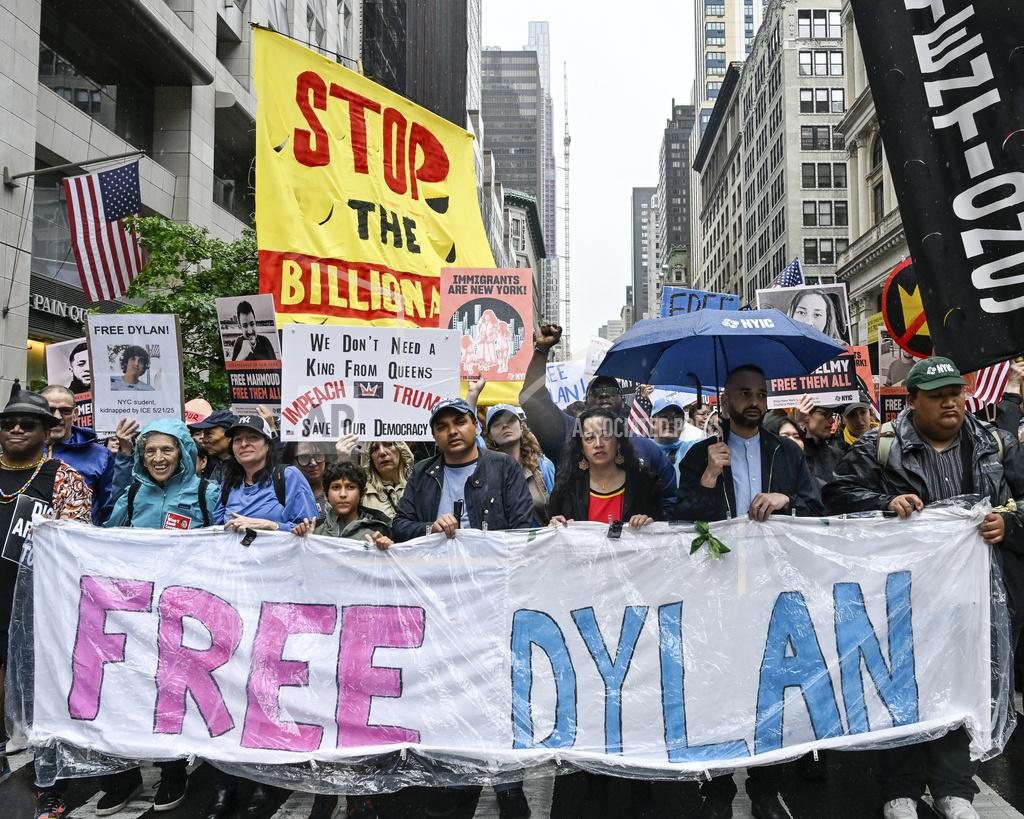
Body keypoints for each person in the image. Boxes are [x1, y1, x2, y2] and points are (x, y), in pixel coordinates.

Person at [823, 357, 1024, 819]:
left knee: (963, 685)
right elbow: (836, 495)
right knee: (903, 686)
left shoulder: (995, 443)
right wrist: (883, 503)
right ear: (911, 402)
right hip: (903, 597)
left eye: (955, 392)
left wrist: (1010, 523)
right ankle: (902, 787)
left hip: (978, 593)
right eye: (936, 396)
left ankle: (954, 787)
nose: (950, 402)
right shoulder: (879, 446)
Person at [674, 365, 823, 819]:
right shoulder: (700, 455)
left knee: (769, 690)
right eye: (744, 393)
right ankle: (717, 789)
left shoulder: (786, 453)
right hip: (717, 591)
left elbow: (815, 507)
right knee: (718, 687)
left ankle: (764, 788)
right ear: (727, 397)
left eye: (760, 393)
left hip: (772, 589)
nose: (753, 401)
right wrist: (706, 478)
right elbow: (681, 523)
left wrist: (787, 501)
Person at [391, 397, 533, 819]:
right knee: (450, 692)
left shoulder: (502, 468)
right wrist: (429, 528)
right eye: (442, 426)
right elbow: (400, 526)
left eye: (460, 422)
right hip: (440, 603)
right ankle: (456, 784)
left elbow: (522, 527)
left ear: (475, 426)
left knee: (499, 693)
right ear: (434, 435)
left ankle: (510, 786)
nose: (452, 431)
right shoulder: (423, 472)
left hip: (492, 600)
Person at [96, 419, 218, 815]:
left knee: (170, 690)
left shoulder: (206, 493)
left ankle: (172, 770)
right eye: (150, 451)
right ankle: (124, 775)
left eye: (167, 450)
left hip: (184, 614)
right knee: (125, 689)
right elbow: (103, 538)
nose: (158, 458)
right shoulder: (131, 494)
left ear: (182, 452)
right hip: (136, 614)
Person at [546, 407, 661, 817]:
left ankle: (641, 781)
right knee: (594, 696)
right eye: (588, 436)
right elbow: (551, 544)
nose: (597, 443)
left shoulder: (646, 486)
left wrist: (652, 525)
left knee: (636, 695)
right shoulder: (568, 488)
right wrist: (555, 526)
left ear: (618, 442)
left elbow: (668, 541)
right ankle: (592, 777)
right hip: (585, 610)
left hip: (634, 611)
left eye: (604, 435)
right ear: (581, 444)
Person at [204, 415, 318, 819]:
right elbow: (216, 526)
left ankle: (267, 780)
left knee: (267, 687)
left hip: (279, 596)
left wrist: (268, 525)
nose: (243, 445)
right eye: (238, 439)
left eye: (253, 437)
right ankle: (225, 781)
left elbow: (308, 529)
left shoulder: (289, 478)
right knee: (230, 685)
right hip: (235, 596)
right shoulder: (229, 482)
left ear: (268, 444)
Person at [0, 389, 92, 818]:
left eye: (27, 423)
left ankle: (49, 785)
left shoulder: (62, 477)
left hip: (37, 607)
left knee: (42, 702)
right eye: (7, 423)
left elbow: (77, 544)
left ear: (47, 432)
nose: (16, 429)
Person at [520, 324, 678, 513]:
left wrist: (651, 525)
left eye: (611, 390)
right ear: (586, 401)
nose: (604, 395)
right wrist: (541, 350)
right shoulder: (568, 434)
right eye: (596, 391)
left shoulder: (647, 448)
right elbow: (531, 398)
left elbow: (671, 502)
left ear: (622, 400)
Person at [40, 384, 121, 524]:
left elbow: (109, 508)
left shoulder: (100, 455)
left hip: (78, 541)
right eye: (50, 410)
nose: (57, 417)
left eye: (65, 411)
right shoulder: (23, 449)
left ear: (76, 414)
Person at [484, 404, 555, 526]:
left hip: (543, 542)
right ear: (490, 436)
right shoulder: (484, 471)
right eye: (497, 424)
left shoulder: (543, 465)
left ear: (521, 427)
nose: (505, 425)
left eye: (510, 420)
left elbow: (558, 507)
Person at [358, 440, 415, 519]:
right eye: (374, 448)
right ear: (369, 458)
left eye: (388, 444)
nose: (382, 452)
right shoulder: (362, 494)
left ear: (401, 449)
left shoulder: (419, 486)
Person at [283, 441, 334, 518]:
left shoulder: (338, 488)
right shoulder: (282, 493)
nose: (313, 463)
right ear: (291, 461)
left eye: (318, 455)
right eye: (304, 457)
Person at [190, 409, 236, 484]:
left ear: (230, 436)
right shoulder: (210, 462)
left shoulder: (246, 467)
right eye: (203, 434)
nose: (204, 440)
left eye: (209, 435)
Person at [650, 397, 689, 484]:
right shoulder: (640, 450)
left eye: (677, 418)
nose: (671, 422)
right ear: (652, 422)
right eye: (664, 417)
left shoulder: (691, 450)